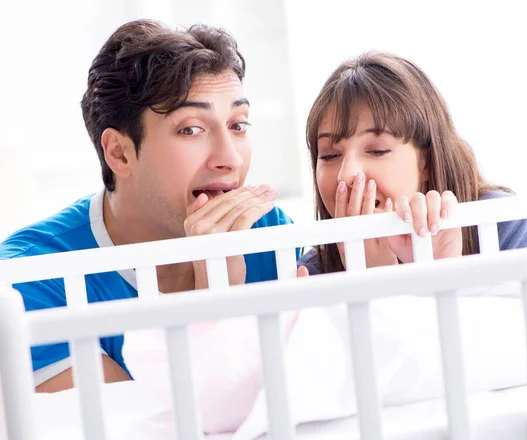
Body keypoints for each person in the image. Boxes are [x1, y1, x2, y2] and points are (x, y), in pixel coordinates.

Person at [0, 19, 305, 393]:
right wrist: (216, 300)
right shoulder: (26, 282)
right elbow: (139, 425)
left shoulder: (270, 235)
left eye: (238, 125)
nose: (231, 159)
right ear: (120, 153)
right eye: (191, 129)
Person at [298, 52, 527, 274]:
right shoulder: (312, 271)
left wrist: (442, 276)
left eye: (377, 150)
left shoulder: (500, 222)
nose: (346, 174)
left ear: (426, 161)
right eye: (329, 155)